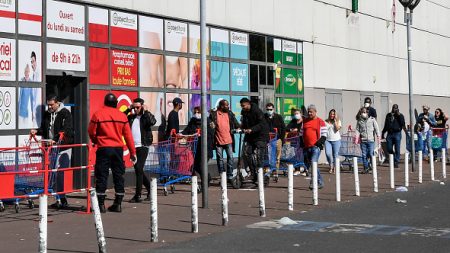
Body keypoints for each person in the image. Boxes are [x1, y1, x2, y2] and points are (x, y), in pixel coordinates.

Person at [88, 93, 136, 213]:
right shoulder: (122, 116)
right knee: (118, 175)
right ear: (116, 103)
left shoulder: (98, 114)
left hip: (103, 148)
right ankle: (118, 203)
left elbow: (91, 131)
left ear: (105, 102)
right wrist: (132, 152)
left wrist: (95, 140)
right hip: (118, 149)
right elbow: (128, 136)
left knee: (102, 175)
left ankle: (101, 204)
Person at [30, 95, 73, 208]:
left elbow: (67, 129)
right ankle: (57, 198)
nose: (50, 107)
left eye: (51, 104)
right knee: (51, 172)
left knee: (59, 173)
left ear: (57, 102)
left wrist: (55, 140)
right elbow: (44, 129)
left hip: (62, 147)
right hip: (50, 147)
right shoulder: (47, 113)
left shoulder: (65, 113)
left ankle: (62, 198)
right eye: (48, 104)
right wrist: (36, 131)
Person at [124, 98, 157, 203]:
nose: (136, 110)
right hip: (133, 147)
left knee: (138, 168)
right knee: (139, 171)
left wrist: (146, 111)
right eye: (135, 107)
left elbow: (153, 121)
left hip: (143, 146)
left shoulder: (145, 117)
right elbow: (120, 118)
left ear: (142, 106)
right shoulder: (132, 117)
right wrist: (129, 109)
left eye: (138, 107)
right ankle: (151, 190)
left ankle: (137, 195)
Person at [182, 106, 214, 186]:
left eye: (198, 112)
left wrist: (201, 134)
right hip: (196, 147)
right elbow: (187, 129)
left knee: (201, 164)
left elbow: (211, 133)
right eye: (195, 112)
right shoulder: (193, 121)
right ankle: (207, 177)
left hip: (205, 148)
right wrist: (181, 134)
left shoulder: (207, 121)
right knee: (196, 165)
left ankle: (205, 183)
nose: (196, 114)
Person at [209, 100, 240, 181]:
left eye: (228, 105)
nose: (228, 106)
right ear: (221, 106)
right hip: (218, 141)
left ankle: (229, 175)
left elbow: (235, 123)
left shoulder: (229, 114)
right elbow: (210, 125)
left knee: (231, 158)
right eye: (226, 105)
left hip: (229, 140)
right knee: (220, 159)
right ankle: (222, 174)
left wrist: (239, 128)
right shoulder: (214, 114)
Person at [240, 98, 269, 183]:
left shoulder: (257, 111)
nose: (242, 107)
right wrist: (241, 128)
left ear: (248, 104)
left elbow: (261, 124)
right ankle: (253, 174)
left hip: (261, 136)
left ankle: (261, 175)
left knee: (259, 156)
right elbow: (244, 123)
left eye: (243, 106)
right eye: (241, 106)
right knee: (246, 153)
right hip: (250, 136)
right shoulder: (244, 112)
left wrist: (251, 129)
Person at [300, 105, 327, 189]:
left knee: (313, 163)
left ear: (315, 112)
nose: (309, 113)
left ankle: (314, 182)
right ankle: (319, 181)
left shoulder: (320, 121)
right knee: (311, 165)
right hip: (307, 147)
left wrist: (318, 144)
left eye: (311, 112)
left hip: (316, 147)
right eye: (308, 111)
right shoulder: (305, 121)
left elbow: (324, 135)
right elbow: (301, 133)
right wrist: (302, 144)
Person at [356, 107, 380, 174]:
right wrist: (357, 137)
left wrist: (378, 137)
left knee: (370, 153)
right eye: (362, 112)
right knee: (364, 155)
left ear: (367, 112)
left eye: (365, 112)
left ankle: (372, 167)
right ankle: (366, 168)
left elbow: (376, 129)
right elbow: (358, 129)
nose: (364, 113)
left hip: (370, 140)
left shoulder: (372, 120)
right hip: (363, 140)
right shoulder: (359, 121)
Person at [264, 103, 286, 177]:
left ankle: (275, 170)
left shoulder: (278, 117)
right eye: (268, 109)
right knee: (269, 155)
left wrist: (281, 138)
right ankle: (268, 169)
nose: (269, 111)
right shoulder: (264, 117)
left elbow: (283, 128)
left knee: (277, 156)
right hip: (268, 139)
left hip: (277, 139)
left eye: (271, 109)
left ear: (273, 109)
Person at [325, 109, 341, 174]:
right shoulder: (325, 121)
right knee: (328, 154)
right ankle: (330, 165)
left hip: (336, 140)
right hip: (328, 140)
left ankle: (335, 167)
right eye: (331, 114)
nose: (332, 115)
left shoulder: (338, 121)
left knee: (335, 155)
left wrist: (335, 121)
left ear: (335, 115)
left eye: (333, 114)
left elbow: (337, 129)